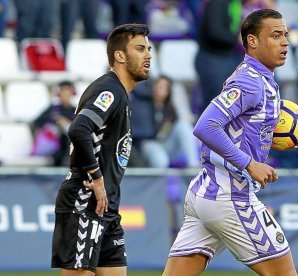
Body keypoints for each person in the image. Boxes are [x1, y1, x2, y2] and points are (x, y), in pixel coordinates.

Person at [163, 9, 298, 276]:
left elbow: (250, 125)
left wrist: (294, 136)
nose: (285, 43)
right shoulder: (249, 82)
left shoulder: (264, 78)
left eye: (286, 36)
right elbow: (205, 126)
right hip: (231, 195)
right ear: (253, 41)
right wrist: (250, 164)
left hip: (207, 190)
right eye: (276, 35)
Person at [51, 23, 151, 275]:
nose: (148, 55)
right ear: (119, 56)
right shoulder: (109, 90)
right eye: (140, 49)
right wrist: (96, 177)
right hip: (84, 201)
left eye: (149, 49)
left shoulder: (119, 93)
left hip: (107, 207)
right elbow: (78, 129)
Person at [130, 75, 200, 168]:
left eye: (163, 87)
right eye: (157, 86)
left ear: (168, 91)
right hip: (148, 143)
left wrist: (162, 132)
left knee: (183, 126)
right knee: (161, 160)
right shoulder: (143, 104)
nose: (158, 89)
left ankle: (193, 165)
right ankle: (158, 181)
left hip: (163, 143)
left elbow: (165, 130)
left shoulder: (169, 109)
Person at [31, 81, 77, 166]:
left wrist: (67, 125)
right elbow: (36, 123)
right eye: (63, 92)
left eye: (67, 92)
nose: (65, 95)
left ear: (72, 93)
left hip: (68, 147)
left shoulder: (76, 111)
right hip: (52, 147)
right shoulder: (52, 109)